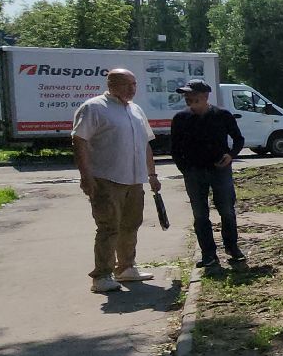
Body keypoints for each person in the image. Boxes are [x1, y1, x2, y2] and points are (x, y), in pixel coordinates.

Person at [71, 69, 161, 294]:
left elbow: (146, 144)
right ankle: (102, 275)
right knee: (109, 226)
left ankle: (126, 267)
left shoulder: (136, 110)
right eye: (126, 84)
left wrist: (152, 175)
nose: (132, 89)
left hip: (134, 179)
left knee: (131, 224)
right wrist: (86, 176)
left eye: (134, 84)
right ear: (111, 84)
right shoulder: (94, 107)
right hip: (106, 179)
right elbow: (79, 140)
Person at [171, 79, 246, 271]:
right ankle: (208, 254)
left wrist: (231, 155)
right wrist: (185, 169)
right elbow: (175, 148)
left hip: (219, 170)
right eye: (186, 96)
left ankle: (232, 247)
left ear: (205, 97)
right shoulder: (180, 118)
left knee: (227, 211)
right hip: (194, 173)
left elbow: (238, 139)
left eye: (193, 96)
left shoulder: (222, 115)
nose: (188, 99)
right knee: (200, 214)